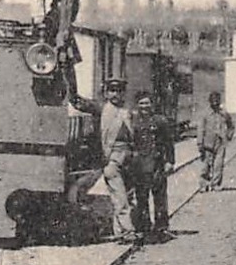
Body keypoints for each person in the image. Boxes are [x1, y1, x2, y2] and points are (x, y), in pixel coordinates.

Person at [70, 79, 135, 240]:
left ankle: (119, 231)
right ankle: (127, 230)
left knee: (124, 194)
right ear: (106, 93)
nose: (115, 94)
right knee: (120, 195)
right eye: (112, 90)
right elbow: (79, 103)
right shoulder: (102, 109)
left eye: (119, 91)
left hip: (126, 157)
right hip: (111, 158)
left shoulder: (127, 112)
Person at [124, 90, 177, 240]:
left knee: (160, 197)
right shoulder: (133, 121)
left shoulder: (160, 121)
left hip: (157, 164)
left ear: (152, 104)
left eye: (147, 103)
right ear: (137, 105)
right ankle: (144, 227)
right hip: (139, 165)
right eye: (141, 103)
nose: (144, 106)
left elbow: (168, 143)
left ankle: (161, 227)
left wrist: (170, 161)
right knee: (141, 197)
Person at [196, 91, 235, 193]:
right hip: (207, 143)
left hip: (220, 143)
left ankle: (216, 184)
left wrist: (229, 135)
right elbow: (201, 129)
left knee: (218, 164)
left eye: (217, 102)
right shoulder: (205, 114)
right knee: (206, 165)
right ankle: (203, 184)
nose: (215, 104)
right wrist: (200, 143)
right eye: (213, 102)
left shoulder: (224, 114)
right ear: (210, 102)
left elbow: (231, 125)